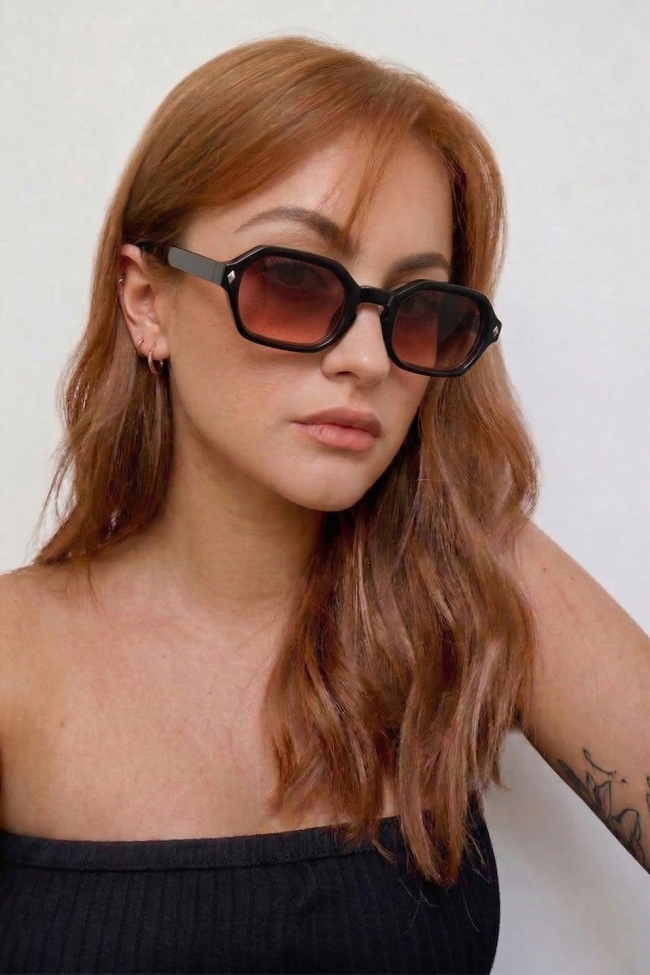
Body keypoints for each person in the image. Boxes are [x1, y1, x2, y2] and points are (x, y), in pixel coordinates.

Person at [0, 34, 540, 974]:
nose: (366, 360)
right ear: (147, 301)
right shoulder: (14, 660)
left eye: (416, 306)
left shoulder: (472, 593)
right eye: (293, 281)